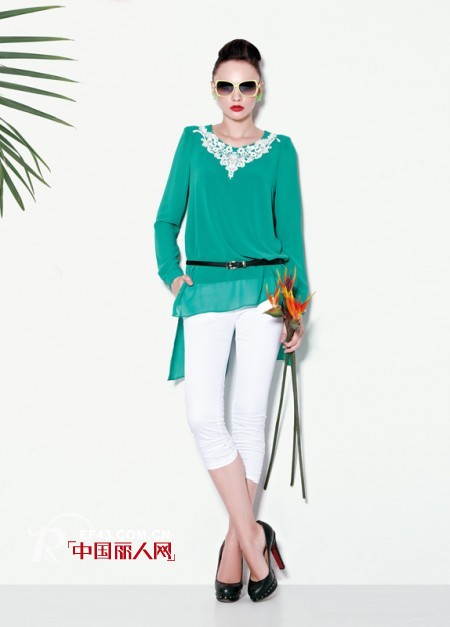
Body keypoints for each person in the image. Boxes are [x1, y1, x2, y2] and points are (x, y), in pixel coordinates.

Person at [153, 38, 309, 602]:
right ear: (213, 89)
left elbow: (291, 234)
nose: (236, 95)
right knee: (203, 415)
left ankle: (232, 548)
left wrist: (296, 307)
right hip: (207, 289)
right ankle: (254, 538)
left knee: (247, 416)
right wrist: (173, 275)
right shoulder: (192, 142)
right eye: (226, 85)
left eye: (246, 84)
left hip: (267, 292)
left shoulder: (280, 150)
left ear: (259, 89)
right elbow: (165, 221)